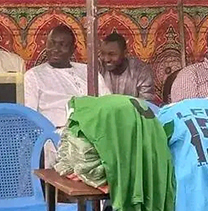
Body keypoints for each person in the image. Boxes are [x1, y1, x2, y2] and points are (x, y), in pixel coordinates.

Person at [25, 24, 111, 168]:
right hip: (55, 137)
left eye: (62, 45)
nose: (55, 49)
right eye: (51, 43)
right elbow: (30, 117)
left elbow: (107, 103)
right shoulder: (33, 76)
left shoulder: (88, 72)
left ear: (73, 49)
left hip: (93, 133)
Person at [99, 32, 156, 102]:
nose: (106, 59)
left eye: (112, 54)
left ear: (125, 53)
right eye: (103, 54)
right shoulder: (98, 68)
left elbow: (146, 104)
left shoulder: (141, 71)